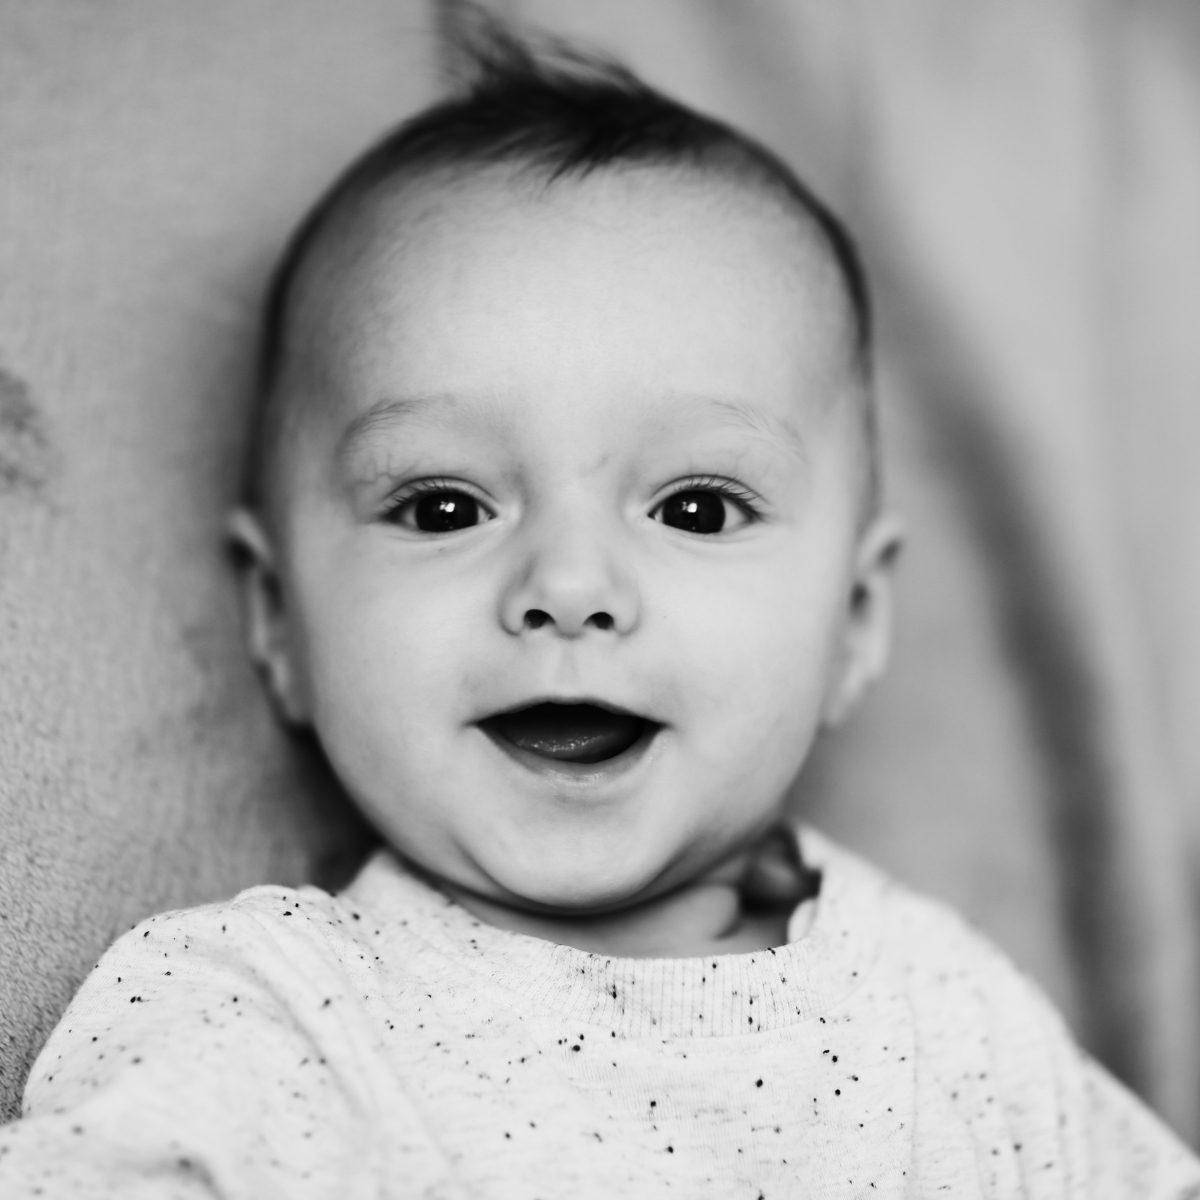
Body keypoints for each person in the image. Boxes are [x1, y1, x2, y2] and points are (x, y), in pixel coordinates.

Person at [1, 15, 1197, 1199]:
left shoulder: (954, 1018)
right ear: (278, 620)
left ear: (854, 619)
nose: (569, 589)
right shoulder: (261, 1025)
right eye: (443, 508)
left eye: (696, 509)